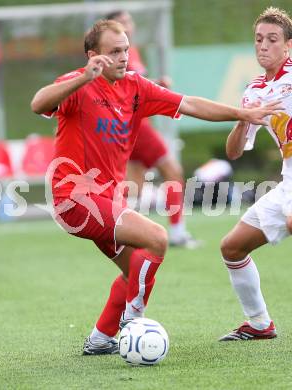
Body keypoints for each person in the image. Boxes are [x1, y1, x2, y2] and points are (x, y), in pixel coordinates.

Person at [31, 19, 279, 355]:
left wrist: (241, 113)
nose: (123, 57)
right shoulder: (77, 85)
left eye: (126, 50)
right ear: (93, 55)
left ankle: (100, 339)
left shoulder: (136, 87)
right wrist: (82, 77)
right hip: (74, 200)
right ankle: (134, 321)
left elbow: (189, 104)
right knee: (157, 238)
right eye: (114, 52)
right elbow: (38, 103)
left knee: (135, 269)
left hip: (107, 199)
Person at [219, 7, 292, 341]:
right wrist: (243, 117)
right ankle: (260, 324)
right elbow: (233, 152)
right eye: (259, 39)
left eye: (272, 40)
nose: (263, 45)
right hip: (288, 180)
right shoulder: (254, 92)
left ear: (288, 46)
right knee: (232, 247)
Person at [106, 10, 201, 248]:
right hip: (130, 125)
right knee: (172, 170)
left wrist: (156, 85)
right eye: (122, 22)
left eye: (129, 21)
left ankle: (117, 233)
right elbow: (120, 91)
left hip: (133, 123)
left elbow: (133, 89)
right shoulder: (113, 55)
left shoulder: (132, 51)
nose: (129, 25)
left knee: (133, 185)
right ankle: (177, 232)